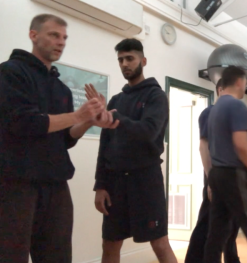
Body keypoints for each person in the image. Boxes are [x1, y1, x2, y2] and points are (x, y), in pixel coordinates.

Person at [0, 14, 111, 262]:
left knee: (57, 256)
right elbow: (23, 122)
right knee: (11, 256)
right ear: (33, 35)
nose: (61, 42)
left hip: (56, 185)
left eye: (64, 37)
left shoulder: (60, 88)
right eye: (53, 35)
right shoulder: (10, 72)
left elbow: (65, 140)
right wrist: (77, 115)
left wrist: (88, 122)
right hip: (15, 185)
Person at [91, 38, 177, 263]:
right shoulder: (116, 100)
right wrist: (100, 185)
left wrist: (116, 118)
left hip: (146, 182)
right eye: (120, 60)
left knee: (160, 243)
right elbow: (105, 147)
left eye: (130, 58)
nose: (124, 64)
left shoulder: (156, 96)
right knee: (109, 244)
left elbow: (148, 131)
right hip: (115, 183)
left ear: (143, 60)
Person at [203, 66, 247, 263]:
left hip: (217, 175)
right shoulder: (236, 106)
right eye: (245, 84)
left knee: (217, 232)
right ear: (240, 82)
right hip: (235, 175)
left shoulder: (214, 109)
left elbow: (208, 147)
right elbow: (241, 145)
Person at [184, 79, 240, 263]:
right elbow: (203, 147)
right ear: (220, 90)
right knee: (208, 227)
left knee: (230, 227)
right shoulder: (211, 113)